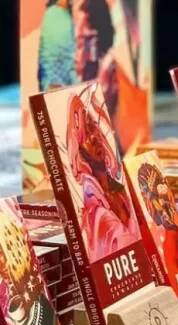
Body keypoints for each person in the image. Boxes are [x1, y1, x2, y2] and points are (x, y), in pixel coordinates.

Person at [66, 87, 139, 261]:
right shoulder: (95, 211)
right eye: (85, 135)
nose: (94, 138)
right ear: (78, 151)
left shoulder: (119, 190)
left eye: (93, 128)